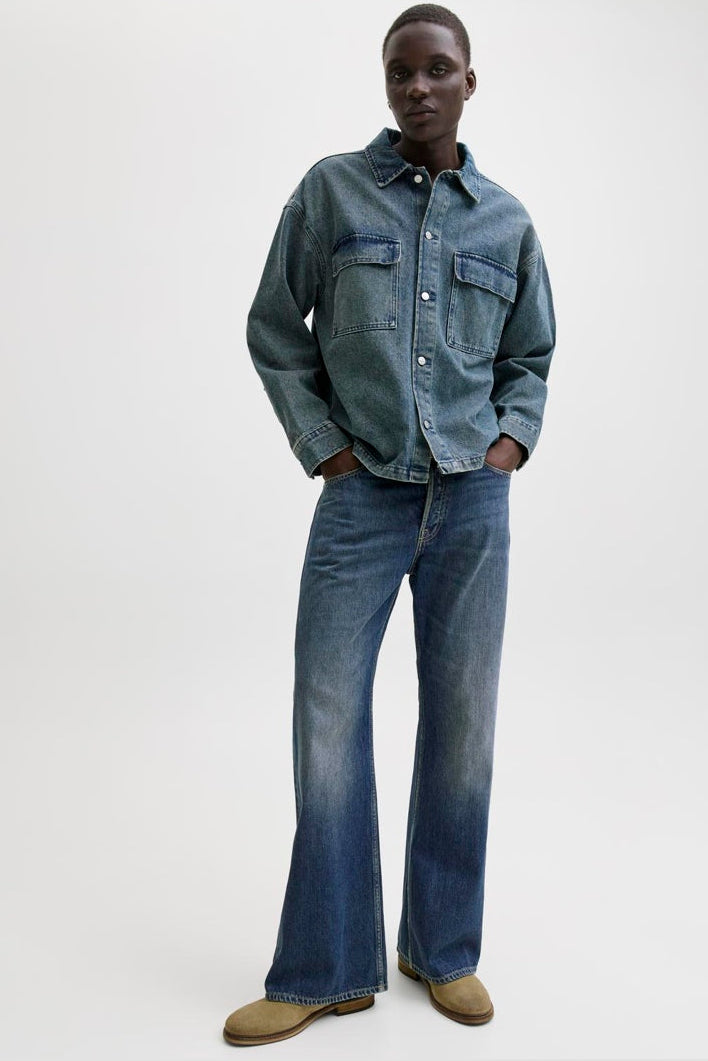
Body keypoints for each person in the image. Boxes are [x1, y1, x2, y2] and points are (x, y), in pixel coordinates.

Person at [223, 2, 556, 1047]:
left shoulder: (506, 220)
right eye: (400, 71)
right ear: (386, 82)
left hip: (472, 502)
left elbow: (531, 356)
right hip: (361, 496)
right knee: (326, 720)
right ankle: (327, 966)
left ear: (469, 81)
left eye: (437, 69)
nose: (418, 86)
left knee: (464, 728)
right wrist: (325, 444)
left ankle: (442, 949)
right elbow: (274, 326)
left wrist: (508, 444)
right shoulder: (331, 191)